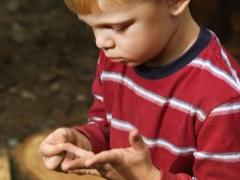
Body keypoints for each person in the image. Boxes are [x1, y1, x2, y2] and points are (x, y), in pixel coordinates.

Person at [38, 0, 240, 179]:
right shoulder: (115, 60)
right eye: (89, 26)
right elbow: (107, 127)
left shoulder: (223, 98)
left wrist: (149, 177)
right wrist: (83, 142)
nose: (101, 42)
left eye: (118, 27)